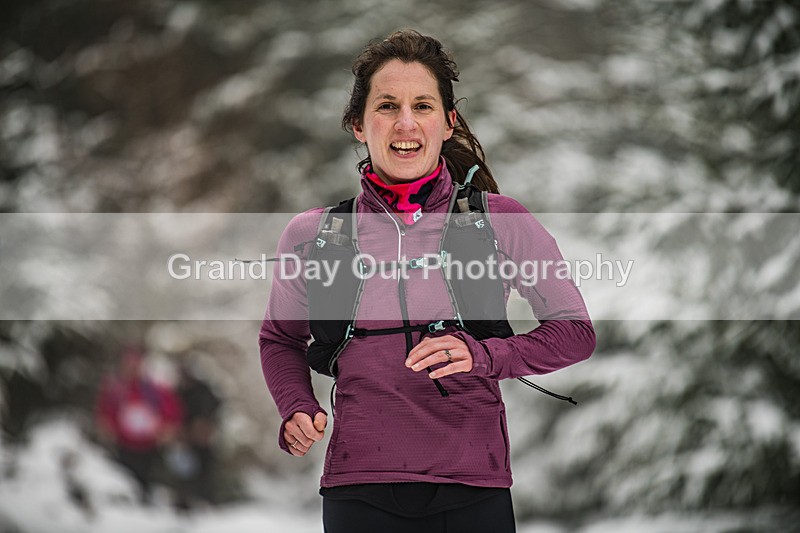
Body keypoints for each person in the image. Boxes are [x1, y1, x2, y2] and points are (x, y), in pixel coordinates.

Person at [259, 29, 596, 533]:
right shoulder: (313, 234)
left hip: (472, 487)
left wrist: (486, 356)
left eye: (422, 105)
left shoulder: (500, 221)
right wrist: (296, 407)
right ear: (358, 124)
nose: (406, 123)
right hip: (358, 485)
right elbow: (280, 339)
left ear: (447, 122)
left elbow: (575, 331)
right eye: (387, 106)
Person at [95, 345, 182, 504]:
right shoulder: (115, 388)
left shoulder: (154, 389)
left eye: (136, 363)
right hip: (123, 444)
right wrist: (106, 428)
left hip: (149, 445)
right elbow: (104, 410)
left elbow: (172, 410)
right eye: (128, 363)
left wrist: (167, 429)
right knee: (123, 478)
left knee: (145, 480)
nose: (132, 367)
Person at [168, 359, 222, 510]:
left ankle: (205, 501)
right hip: (185, 438)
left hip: (203, 438)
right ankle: (184, 501)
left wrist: (205, 424)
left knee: (204, 471)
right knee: (184, 471)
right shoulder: (178, 390)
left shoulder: (204, 390)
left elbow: (215, 408)